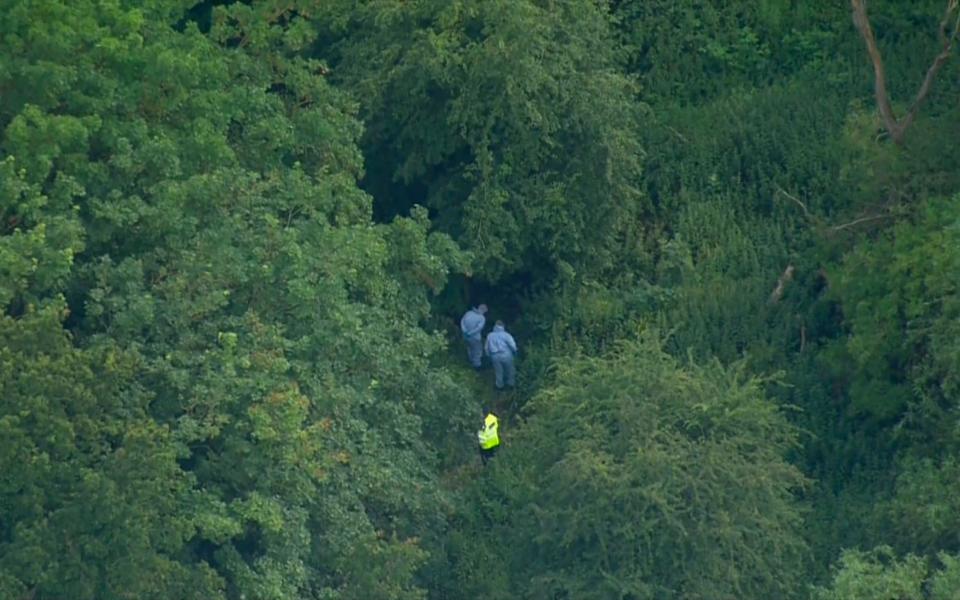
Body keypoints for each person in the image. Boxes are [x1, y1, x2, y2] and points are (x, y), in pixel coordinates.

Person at [484, 320, 517, 390]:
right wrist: (515, 352)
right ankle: (510, 384)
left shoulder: (490, 335)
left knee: (498, 371)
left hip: (495, 356)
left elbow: (486, 347)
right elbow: (512, 345)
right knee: (510, 369)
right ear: (503, 326)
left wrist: (488, 355)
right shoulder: (506, 335)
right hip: (506, 354)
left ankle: (499, 386)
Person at [460, 304, 488, 369]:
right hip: (475, 337)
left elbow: (462, 321)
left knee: (469, 348)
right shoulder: (482, 318)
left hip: (465, 335)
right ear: (483, 310)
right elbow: (479, 328)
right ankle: (476, 366)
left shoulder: (468, 313)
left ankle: (469, 362)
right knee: (477, 350)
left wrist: (464, 331)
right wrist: (470, 333)